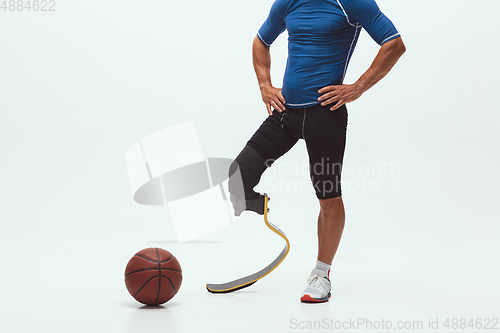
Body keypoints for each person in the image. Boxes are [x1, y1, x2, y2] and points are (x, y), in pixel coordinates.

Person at [228, 0, 406, 303]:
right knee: (235, 178)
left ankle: (321, 274)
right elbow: (261, 41)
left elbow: (394, 44)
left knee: (328, 196)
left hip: (326, 115)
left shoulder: (352, 2)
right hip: (285, 113)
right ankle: (261, 203)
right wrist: (264, 85)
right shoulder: (288, 2)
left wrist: (358, 87)